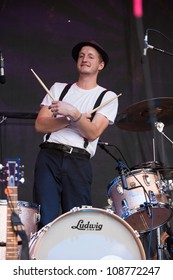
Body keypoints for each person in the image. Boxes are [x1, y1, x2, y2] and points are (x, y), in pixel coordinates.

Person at [33, 40, 118, 229]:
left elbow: (93, 132)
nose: (84, 59)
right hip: (49, 156)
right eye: (81, 55)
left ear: (100, 65)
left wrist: (73, 112)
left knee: (78, 224)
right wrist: (69, 118)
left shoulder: (107, 97)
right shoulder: (58, 89)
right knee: (46, 221)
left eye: (90, 56)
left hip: (78, 160)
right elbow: (40, 125)